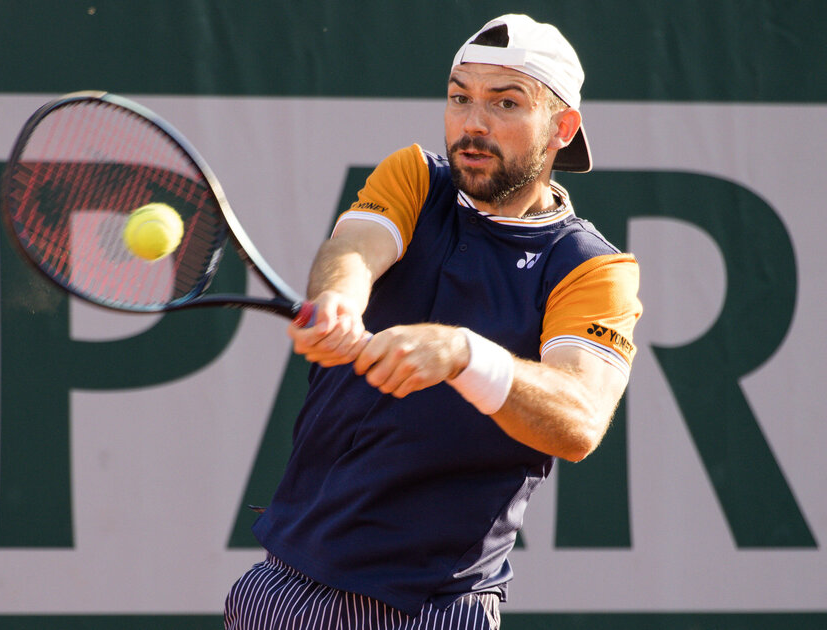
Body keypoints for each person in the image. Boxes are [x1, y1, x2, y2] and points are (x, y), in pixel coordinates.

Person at [224, 13, 642, 630]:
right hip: (283, 587)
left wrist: (464, 354)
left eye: (505, 103)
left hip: (435, 609)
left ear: (562, 128)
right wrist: (340, 298)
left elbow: (579, 419)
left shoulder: (591, 269)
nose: (473, 123)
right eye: (459, 98)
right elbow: (355, 248)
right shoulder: (415, 178)